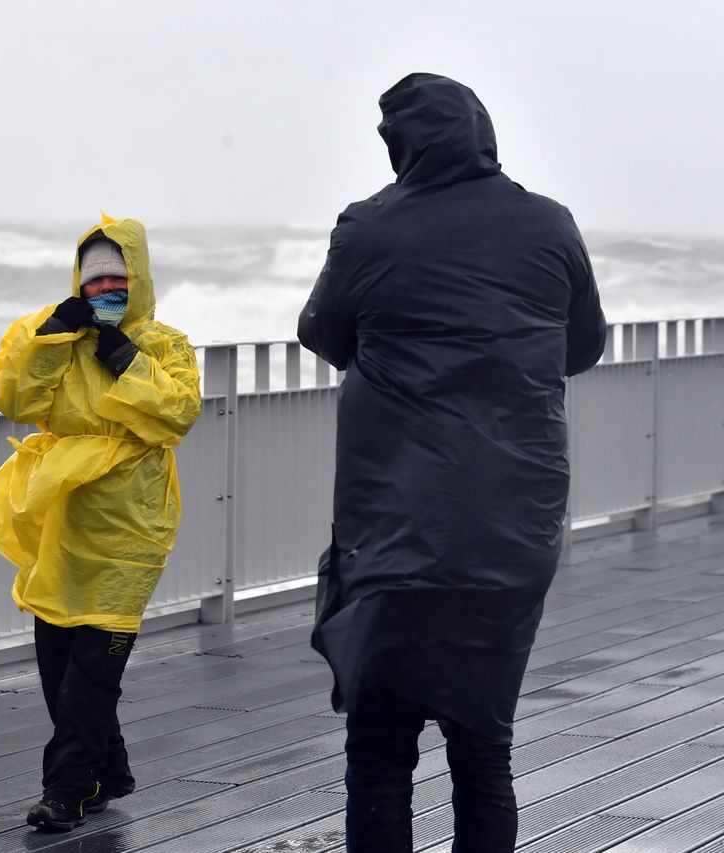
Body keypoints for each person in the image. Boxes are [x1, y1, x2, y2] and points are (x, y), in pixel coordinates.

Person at [297, 73, 607, 853]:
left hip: (394, 533)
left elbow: (322, 332)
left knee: (379, 751)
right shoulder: (549, 225)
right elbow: (584, 345)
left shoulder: (369, 228)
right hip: (511, 531)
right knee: (482, 745)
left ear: (402, 144)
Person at [0, 213, 202, 832]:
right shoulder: (47, 331)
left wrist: (123, 356)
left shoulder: (164, 345)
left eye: (119, 280)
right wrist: (50, 339)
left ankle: (66, 792)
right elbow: (16, 402)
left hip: (131, 524)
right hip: (60, 519)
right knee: (59, 662)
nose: (106, 292)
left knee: (94, 670)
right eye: (95, 281)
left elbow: (177, 415)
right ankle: (110, 772)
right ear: (78, 282)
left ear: (140, 279)